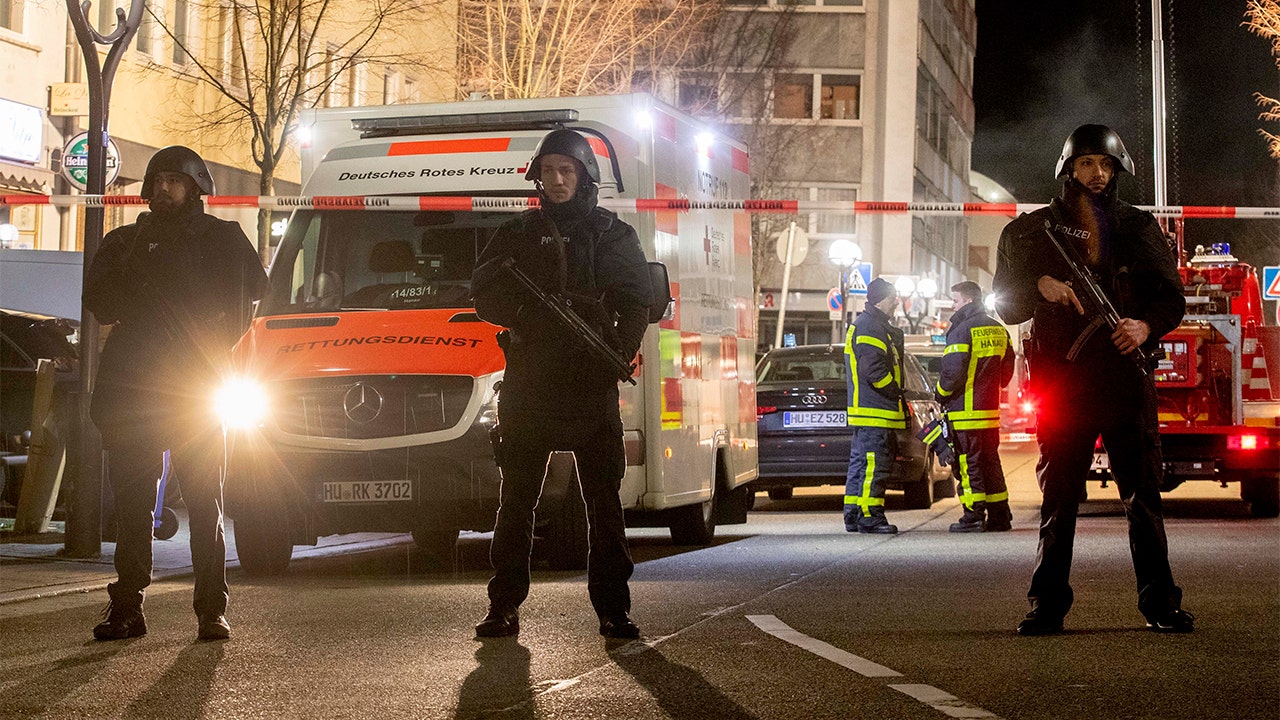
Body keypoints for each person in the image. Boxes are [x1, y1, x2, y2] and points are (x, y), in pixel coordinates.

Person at [992, 124, 1193, 636]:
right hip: (1064, 384)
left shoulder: (1137, 228)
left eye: (1106, 164)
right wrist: (1038, 284)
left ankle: (1160, 604)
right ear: (1068, 169)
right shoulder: (1031, 232)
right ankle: (1047, 605)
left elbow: (1171, 299)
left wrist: (1144, 326)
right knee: (1059, 499)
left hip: (1125, 381)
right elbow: (1006, 305)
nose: (1098, 174)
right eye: (1087, 163)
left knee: (1143, 498)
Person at [470, 128, 652, 640]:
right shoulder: (517, 234)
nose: (556, 180)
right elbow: (485, 295)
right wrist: (527, 312)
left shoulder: (612, 234)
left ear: (584, 175)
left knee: (604, 502)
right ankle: (503, 605)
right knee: (517, 500)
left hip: (590, 382)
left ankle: (614, 609)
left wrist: (616, 353)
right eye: (548, 170)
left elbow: (637, 301)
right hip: (531, 382)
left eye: (566, 170)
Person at [84, 146, 267, 641]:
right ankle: (128, 606)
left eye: (175, 180)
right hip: (134, 387)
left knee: (206, 502)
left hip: (195, 386)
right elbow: (99, 299)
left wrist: (211, 341)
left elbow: (249, 296)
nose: (164, 188)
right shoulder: (126, 242)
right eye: (158, 180)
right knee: (132, 506)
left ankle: (211, 609)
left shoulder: (221, 239)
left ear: (195, 186)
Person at [934, 281, 1014, 533]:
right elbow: (1007, 371)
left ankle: (973, 515)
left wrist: (940, 394)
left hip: (965, 412)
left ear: (967, 300)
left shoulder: (961, 330)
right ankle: (1000, 515)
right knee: (991, 463)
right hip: (989, 413)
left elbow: (952, 372)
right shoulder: (999, 329)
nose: (952, 306)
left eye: (955, 300)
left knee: (969, 464)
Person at [843, 277, 907, 534]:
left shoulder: (868, 324)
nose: (897, 303)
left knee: (861, 465)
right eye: (893, 298)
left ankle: (854, 514)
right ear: (881, 300)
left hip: (868, 411)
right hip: (876, 410)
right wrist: (894, 391)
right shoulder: (870, 327)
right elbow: (873, 369)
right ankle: (870, 517)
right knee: (874, 466)